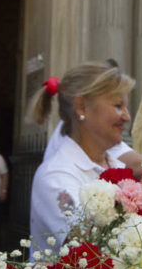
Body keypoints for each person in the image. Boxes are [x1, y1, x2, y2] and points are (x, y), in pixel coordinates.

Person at [30, 61, 134, 252]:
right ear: (82, 107)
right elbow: (92, 245)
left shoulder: (117, 166)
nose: (127, 117)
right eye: (118, 105)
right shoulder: (55, 176)